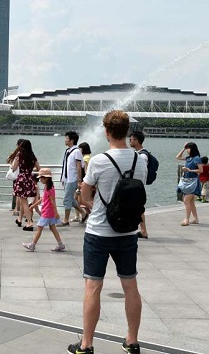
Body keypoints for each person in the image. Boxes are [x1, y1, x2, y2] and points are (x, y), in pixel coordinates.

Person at [68, 110, 146, 354]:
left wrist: (90, 203)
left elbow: (85, 194)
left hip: (99, 233)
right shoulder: (139, 160)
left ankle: (86, 344)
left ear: (107, 131)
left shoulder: (100, 161)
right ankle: (132, 341)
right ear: (127, 132)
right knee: (130, 286)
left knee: (93, 287)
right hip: (128, 232)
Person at [22, 168, 65, 252]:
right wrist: (34, 205)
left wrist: (56, 213)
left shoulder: (49, 188)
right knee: (52, 228)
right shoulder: (48, 187)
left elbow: (53, 201)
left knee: (39, 227)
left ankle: (32, 245)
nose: (40, 180)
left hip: (47, 212)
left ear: (46, 178)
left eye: (41, 178)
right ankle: (60, 244)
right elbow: (42, 199)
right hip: (49, 211)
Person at [7, 139, 40, 231]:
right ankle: (19, 219)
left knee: (24, 202)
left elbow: (14, 168)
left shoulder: (19, 155)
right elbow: (39, 168)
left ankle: (29, 223)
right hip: (30, 179)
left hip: (21, 180)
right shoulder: (32, 156)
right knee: (23, 201)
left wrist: (13, 167)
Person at [61, 131, 86, 225]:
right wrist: (63, 178)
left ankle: (66, 220)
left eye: (67, 138)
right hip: (67, 179)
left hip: (73, 179)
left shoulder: (76, 151)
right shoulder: (68, 151)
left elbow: (78, 167)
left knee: (67, 199)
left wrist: (79, 181)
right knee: (70, 199)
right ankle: (83, 213)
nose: (65, 140)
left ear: (72, 140)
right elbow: (66, 166)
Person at [129, 131, 150, 239]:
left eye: (131, 139)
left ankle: (143, 230)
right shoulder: (139, 153)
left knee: (138, 208)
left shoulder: (142, 155)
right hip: (137, 185)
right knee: (137, 208)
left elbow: (140, 170)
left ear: (137, 141)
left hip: (137, 186)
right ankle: (142, 230)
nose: (130, 141)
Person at [176, 142, 203, 226]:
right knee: (191, 202)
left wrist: (189, 170)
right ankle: (195, 219)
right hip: (187, 181)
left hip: (193, 182)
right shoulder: (188, 158)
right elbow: (178, 157)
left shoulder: (197, 158)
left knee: (186, 200)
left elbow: (201, 170)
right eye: (186, 148)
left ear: (192, 149)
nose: (187, 150)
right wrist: (183, 148)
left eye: (188, 148)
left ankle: (186, 219)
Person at [77, 142, 93, 222]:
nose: (79, 150)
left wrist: (84, 181)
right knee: (80, 199)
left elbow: (86, 171)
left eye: (80, 149)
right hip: (85, 181)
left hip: (84, 181)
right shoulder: (88, 157)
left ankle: (91, 214)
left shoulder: (85, 158)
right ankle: (89, 214)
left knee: (81, 200)